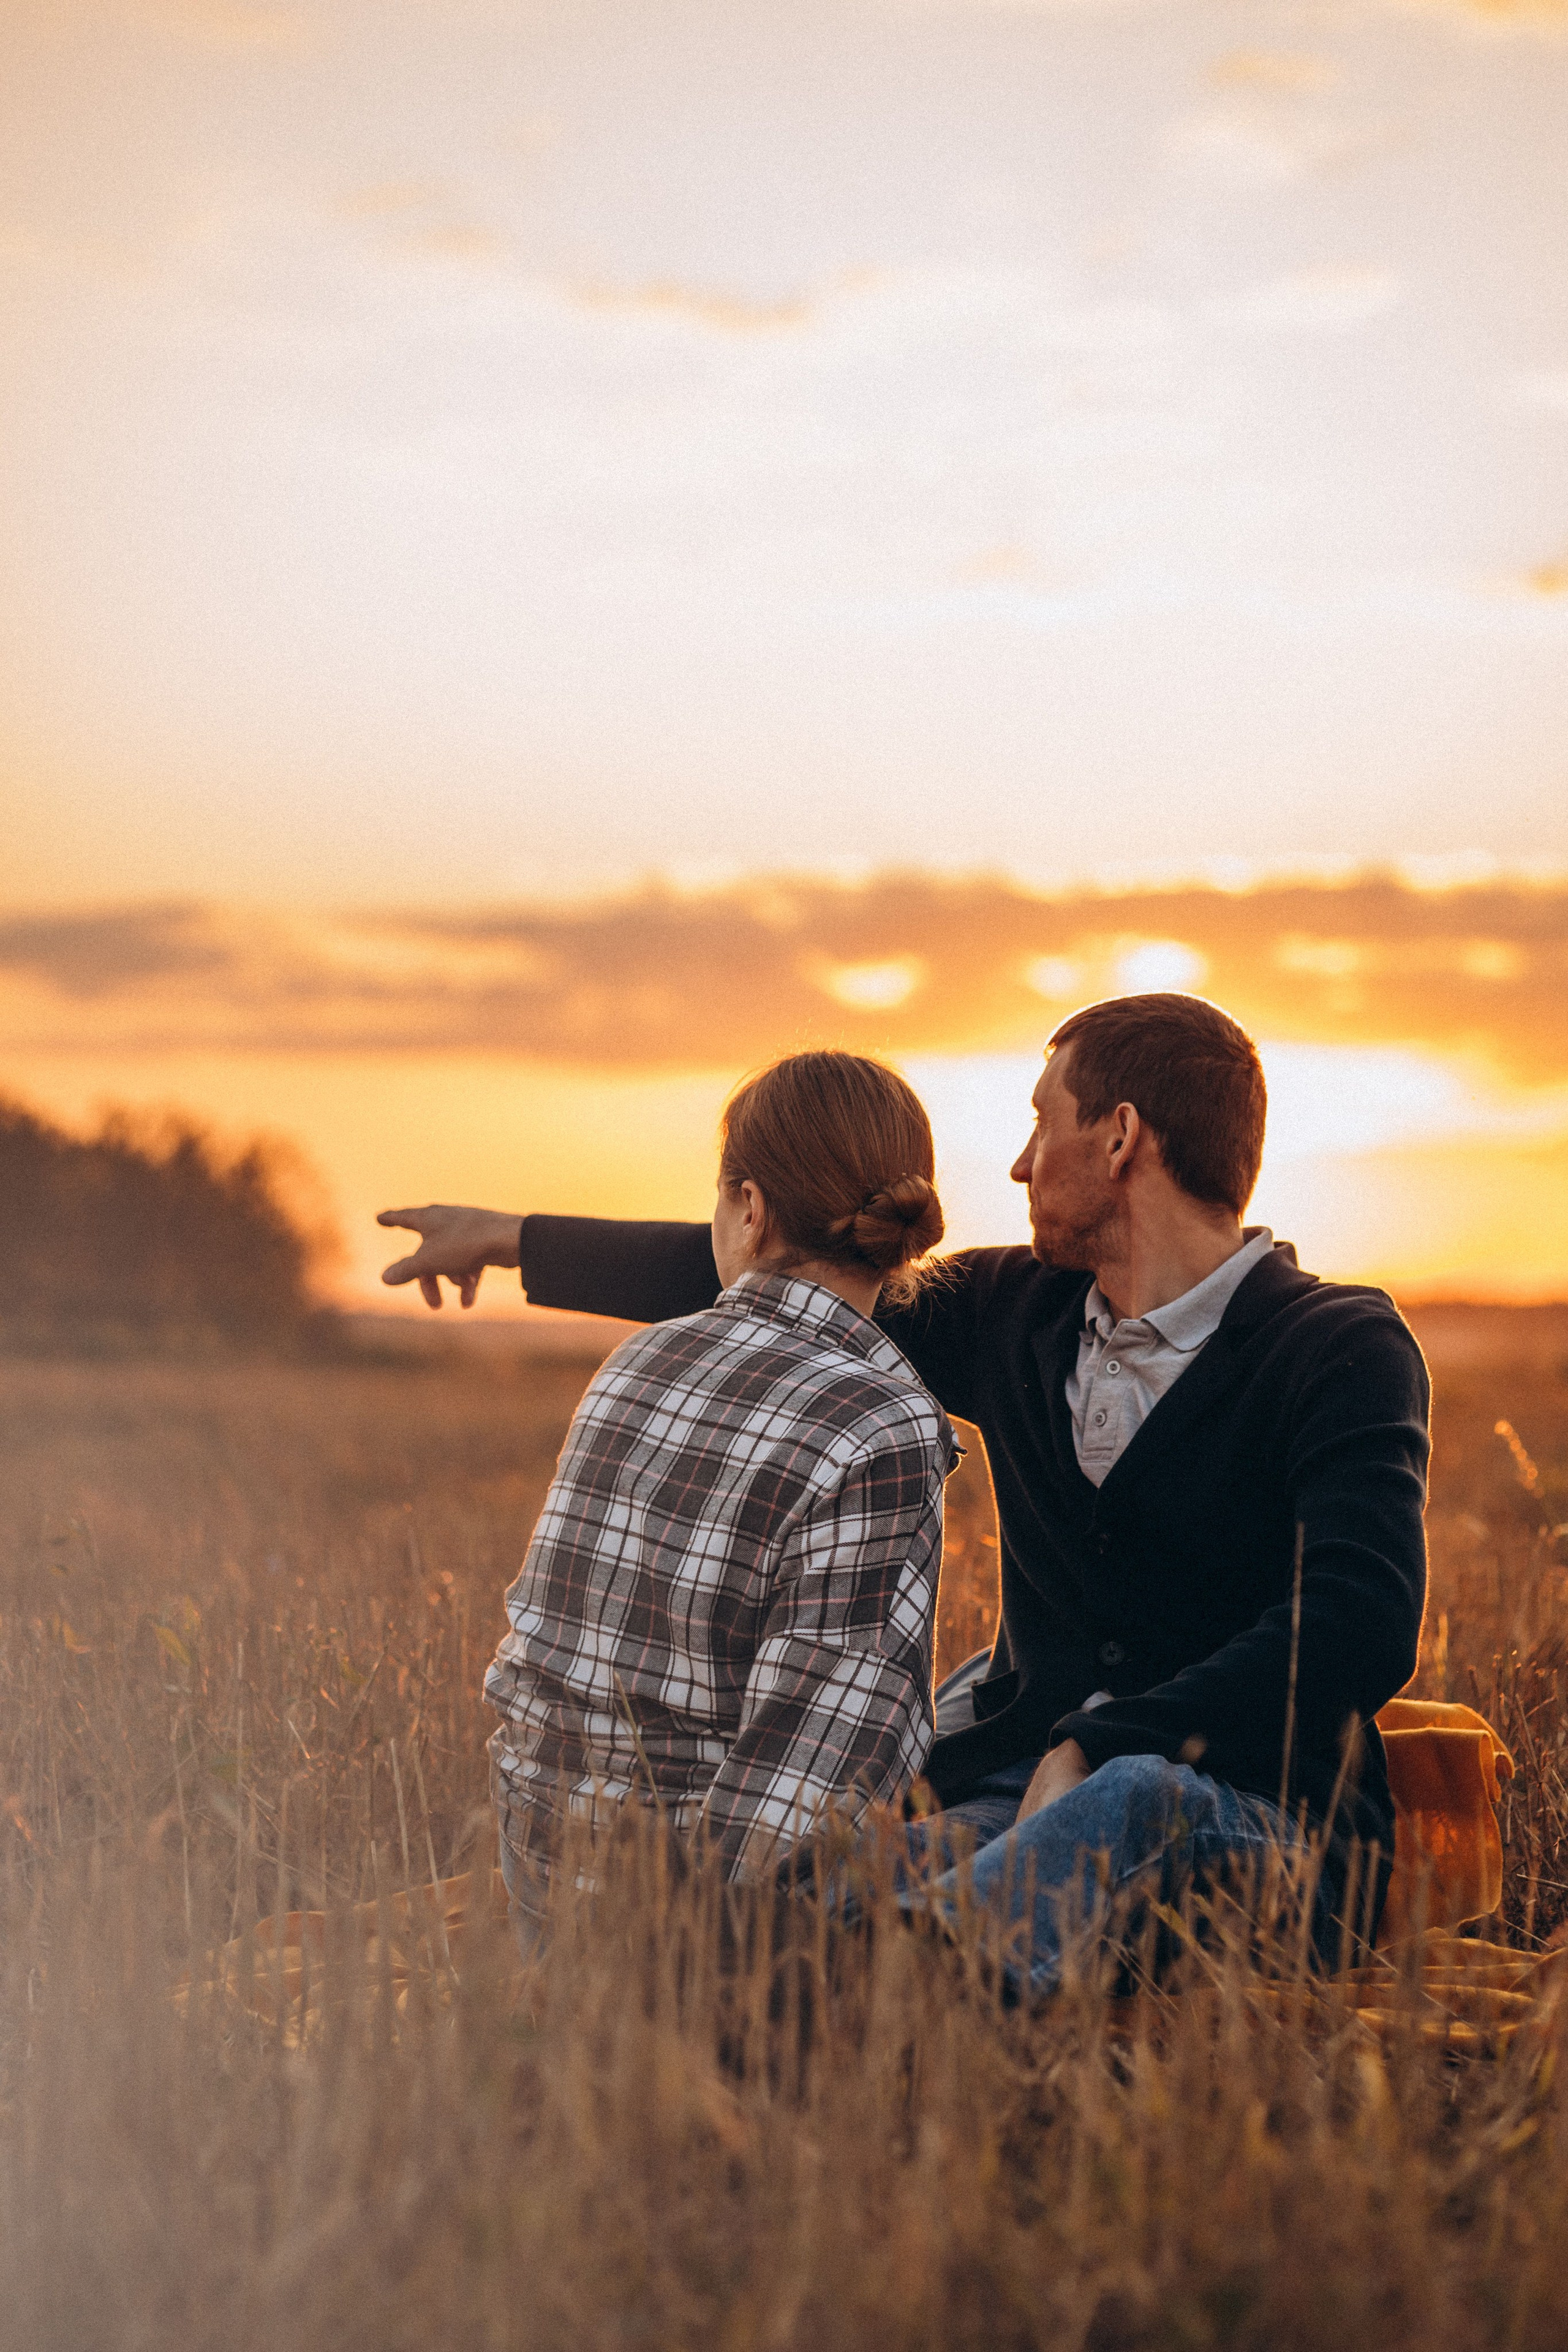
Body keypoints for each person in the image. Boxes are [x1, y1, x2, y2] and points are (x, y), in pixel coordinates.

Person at [380, 994, 1430, 1989]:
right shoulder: (1018, 1310)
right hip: (1015, 1800)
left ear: (1119, 1138)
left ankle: (874, 1998)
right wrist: (514, 1239)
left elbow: (1359, 1624)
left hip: (1261, 1824)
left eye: (1041, 1122)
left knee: (1131, 1804)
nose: (1019, 1162)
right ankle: (795, 1979)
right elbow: (786, 1264)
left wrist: (1100, 1743)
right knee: (843, 1886)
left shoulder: (1337, 1346)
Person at [396, 1052, 957, 1931]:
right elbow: (823, 1763)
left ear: (750, 1208)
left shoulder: (639, 1355)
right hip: (692, 1925)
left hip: (536, 1857)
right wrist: (689, 1953)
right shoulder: (885, 1422)